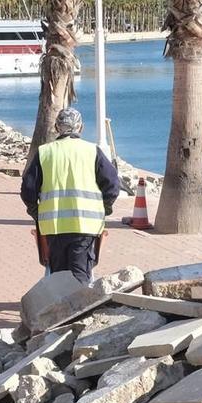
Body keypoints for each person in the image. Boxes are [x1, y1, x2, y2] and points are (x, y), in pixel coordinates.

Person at [21, 106, 122, 284]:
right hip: (86, 225)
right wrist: (104, 209)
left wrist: (36, 212)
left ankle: (63, 307)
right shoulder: (92, 151)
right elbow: (112, 184)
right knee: (80, 273)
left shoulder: (45, 153)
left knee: (59, 277)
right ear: (80, 128)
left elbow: (28, 190)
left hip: (53, 226)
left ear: (57, 128)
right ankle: (80, 309)